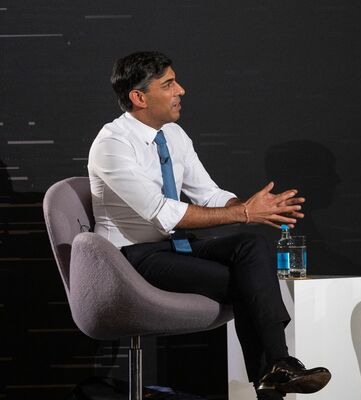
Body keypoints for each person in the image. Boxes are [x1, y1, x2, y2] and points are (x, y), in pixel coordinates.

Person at [87, 51, 331, 399]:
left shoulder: (173, 134)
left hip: (173, 246)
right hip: (129, 258)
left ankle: (279, 364)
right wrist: (244, 212)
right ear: (139, 98)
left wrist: (246, 207)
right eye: (169, 84)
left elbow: (208, 194)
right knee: (245, 281)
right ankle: (273, 381)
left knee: (251, 245)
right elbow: (162, 211)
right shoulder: (112, 145)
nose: (181, 90)